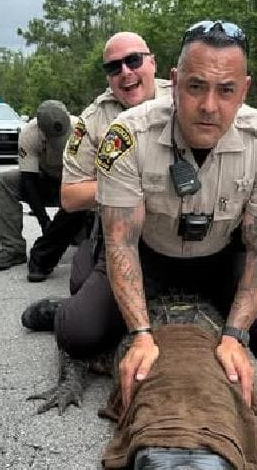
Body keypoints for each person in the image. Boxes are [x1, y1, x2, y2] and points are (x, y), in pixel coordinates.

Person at [53, 19, 257, 408]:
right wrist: (141, 335)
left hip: (223, 255)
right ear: (174, 83)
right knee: (78, 333)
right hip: (148, 254)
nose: (209, 106)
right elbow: (121, 242)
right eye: (195, 87)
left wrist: (236, 336)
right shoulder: (127, 136)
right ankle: (61, 311)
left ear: (244, 89)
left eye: (226, 90)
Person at [24, 31, 172, 287]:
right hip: (119, 220)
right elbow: (70, 197)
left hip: (188, 220)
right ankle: (42, 259)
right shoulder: (91, 120)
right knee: (81, 287)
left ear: (153, 62)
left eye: (134, 60)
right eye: (114, 67)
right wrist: (147, 183)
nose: (125, 71)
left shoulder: (186, 98)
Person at [0, 100, 80, 274]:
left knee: (82, 239)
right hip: (44, 182)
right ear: (42, 131)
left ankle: (86, 237)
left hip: (75, 185)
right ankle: (12, 249)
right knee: (3, 181)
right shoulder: (29, 134)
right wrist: (45, 222)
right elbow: (29, 182)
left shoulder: (83, 129)